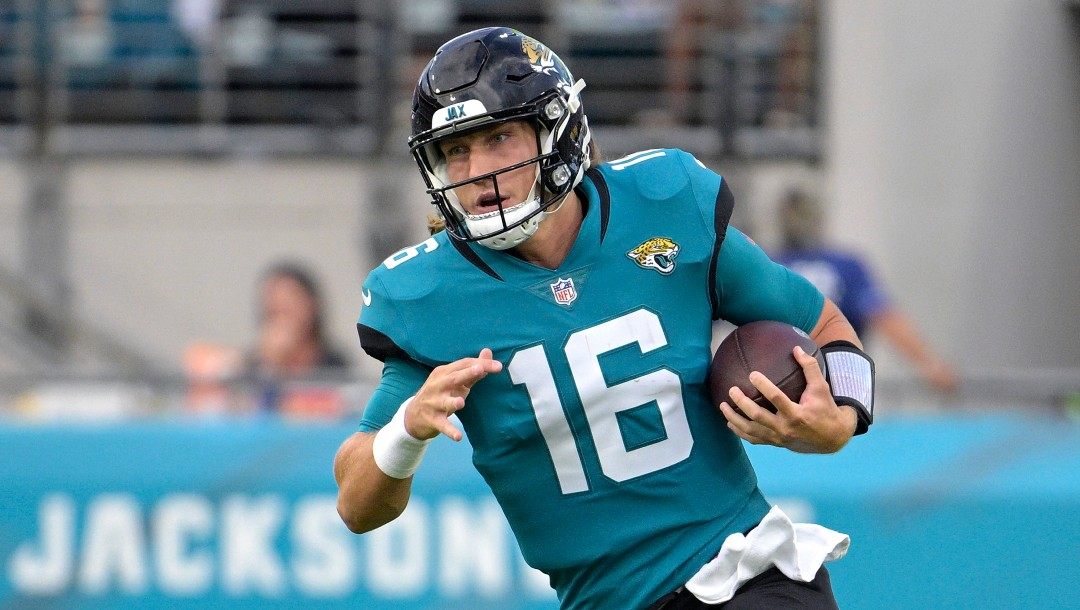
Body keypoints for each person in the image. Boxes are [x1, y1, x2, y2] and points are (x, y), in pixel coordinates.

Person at [334, 27, 875, 610]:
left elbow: (824, 326)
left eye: (499, 139)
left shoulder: (663, 205)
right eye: (456, 150)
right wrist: (406, 430)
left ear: (558, 130)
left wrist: (840, 419)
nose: (476, 171)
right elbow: (356, 504)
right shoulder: (429, 295)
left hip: (739, 575)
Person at [772, 189, 959, 394]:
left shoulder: (768, 264)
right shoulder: (843, 265)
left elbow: (883, 315)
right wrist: (930, 365)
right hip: (838, 385)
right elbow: (885, 317)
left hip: (779, 385)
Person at [184, 261, 350, 417]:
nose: (283, 317)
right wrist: (269, 362)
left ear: (312, 306)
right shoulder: (253, 363)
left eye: (289, 305)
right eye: (275, 310)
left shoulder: (335, 364)